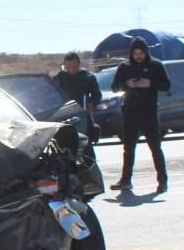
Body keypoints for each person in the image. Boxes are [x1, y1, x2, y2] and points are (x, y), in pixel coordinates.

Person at [109, 36, 171, 192]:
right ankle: (125, 180)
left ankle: (162, 181)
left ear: (146, 52)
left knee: (155, 148)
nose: (138, 56)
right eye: (136, 53)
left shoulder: (155, 65)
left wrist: (149, 83)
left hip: (149, 111)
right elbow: (114, 87)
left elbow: (166, 85)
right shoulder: (124, 67)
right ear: (131, 53)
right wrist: (127, 84)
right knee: (128, 148)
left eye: (141, 53)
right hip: (130, 111)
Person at [53, 51, 102, 142]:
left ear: (79, 64)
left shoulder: (88, 77)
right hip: (64, 117)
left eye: (74, 66)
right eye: (68, 67)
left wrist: (93, 103)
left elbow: (98, 95)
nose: (71, 70)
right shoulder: (59, 78)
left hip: (83, 115)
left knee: (86, 146)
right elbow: (50, 93)